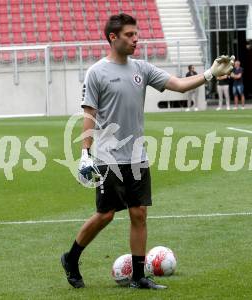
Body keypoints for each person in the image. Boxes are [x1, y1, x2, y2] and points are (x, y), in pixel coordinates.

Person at [60, 13, 234, 290]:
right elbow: (89, 114)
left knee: (139, 213)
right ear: (113, 37)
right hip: (108, 158)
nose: (136, 39)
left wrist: (210, 74)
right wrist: (85, 153)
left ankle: (139, 276)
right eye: (129, 35)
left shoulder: (142, 68)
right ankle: (71, 257)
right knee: (105, 215)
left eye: (136, 34)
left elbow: (178, 85)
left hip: (137, 156)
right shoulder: (96, 72)